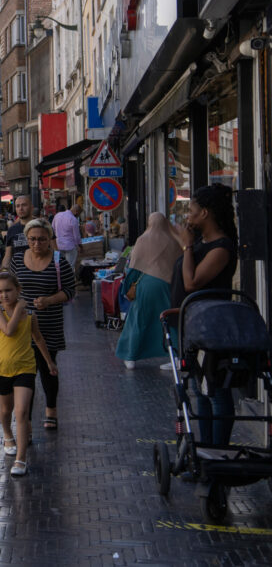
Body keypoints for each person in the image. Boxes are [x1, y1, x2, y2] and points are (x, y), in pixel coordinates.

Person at [170, 184, 239, 446]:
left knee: (217, 392)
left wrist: (187, 247)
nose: (188, 216)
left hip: (213, 328)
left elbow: (193, 283)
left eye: (193, 210)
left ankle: (218, 451)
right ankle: (204, 451)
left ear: (206, 213)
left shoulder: (221, 248)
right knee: (200, 391)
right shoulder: (202, 242)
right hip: (192, 326)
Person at [8, 218, 76, 431]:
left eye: (42, 239)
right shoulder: (18, 260)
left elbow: (70, 291)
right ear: (27, 239)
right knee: (27, 372)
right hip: (24, 326)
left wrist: (48, 300)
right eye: (33, 239)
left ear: (50, 240)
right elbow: (10, 288)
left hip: (49, 325)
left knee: (48, 369)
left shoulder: (59, 262)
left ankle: (51, 411)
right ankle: (26, 419)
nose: (37, 244)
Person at [0, 271, 57, 477]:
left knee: (21, 411)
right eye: (0, 291)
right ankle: (8, 435)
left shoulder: (30, 315)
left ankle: (21, 459)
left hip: (25, 368)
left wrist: (48, 362)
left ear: (18, 290)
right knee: (6, 409)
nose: (4, 295)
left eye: (8, 290)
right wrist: (19, 308)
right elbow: (8, 330)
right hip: (2, 367)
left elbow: (38, 339)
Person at [116, 213, 181, 369]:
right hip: (167, 285)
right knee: (169, 321)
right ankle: (176, 356)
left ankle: (130, 356)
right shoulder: (173, 241)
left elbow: (134, 267)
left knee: (138, 320)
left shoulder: (143, 240)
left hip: (146, 286)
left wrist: (126, 288)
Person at [1, 195, 33, 270]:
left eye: (24, 205)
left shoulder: (42, 226)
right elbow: (8, 255)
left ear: (32, 207)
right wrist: (3, 271)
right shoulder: (12, 229)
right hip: (18, 273)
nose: (20, 209)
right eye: (17, 206)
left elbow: (54, 250)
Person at [52, 203, 83, 269]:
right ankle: (69, 278)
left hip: (58, 245)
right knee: (70, 266)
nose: (78, 216)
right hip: (70, 246)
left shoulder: (57, 215)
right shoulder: (73, 219)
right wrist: (80, 246)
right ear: (76, 212)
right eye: (79, 214)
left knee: (59, 266)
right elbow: (76, 236)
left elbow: (52, 229)